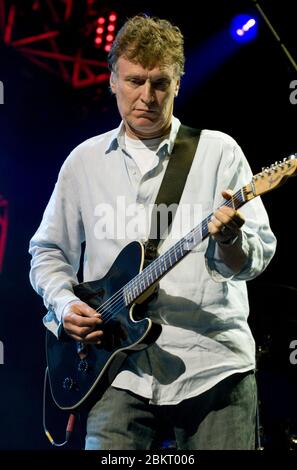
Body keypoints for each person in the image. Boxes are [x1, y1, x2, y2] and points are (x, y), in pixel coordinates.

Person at [29, 15, 276, 450]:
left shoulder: (219, 152)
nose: (146, 96)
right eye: (134, 81)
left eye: (160, 83)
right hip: (116, 373)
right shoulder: (84, 161)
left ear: (179, 82)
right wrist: (65, 303)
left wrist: (229, 239)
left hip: (213, 368)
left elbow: (254, 260)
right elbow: (48, 251)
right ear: (112, 80)